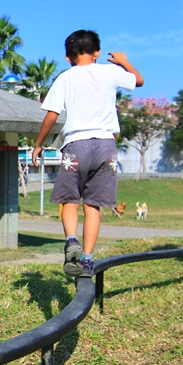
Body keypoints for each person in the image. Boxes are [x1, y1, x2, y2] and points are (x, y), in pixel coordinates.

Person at [31, 30, 143, 278]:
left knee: (70, 200)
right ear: (97, 53)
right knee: (93, 206)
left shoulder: (65, 78)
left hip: (77, 145)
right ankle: (88, 260)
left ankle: (71, 239)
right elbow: (139, 80)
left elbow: (52, 114)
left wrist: (39, 144)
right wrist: (123, 61)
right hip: (106, 146)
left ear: (67, 57)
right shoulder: (110, 72)